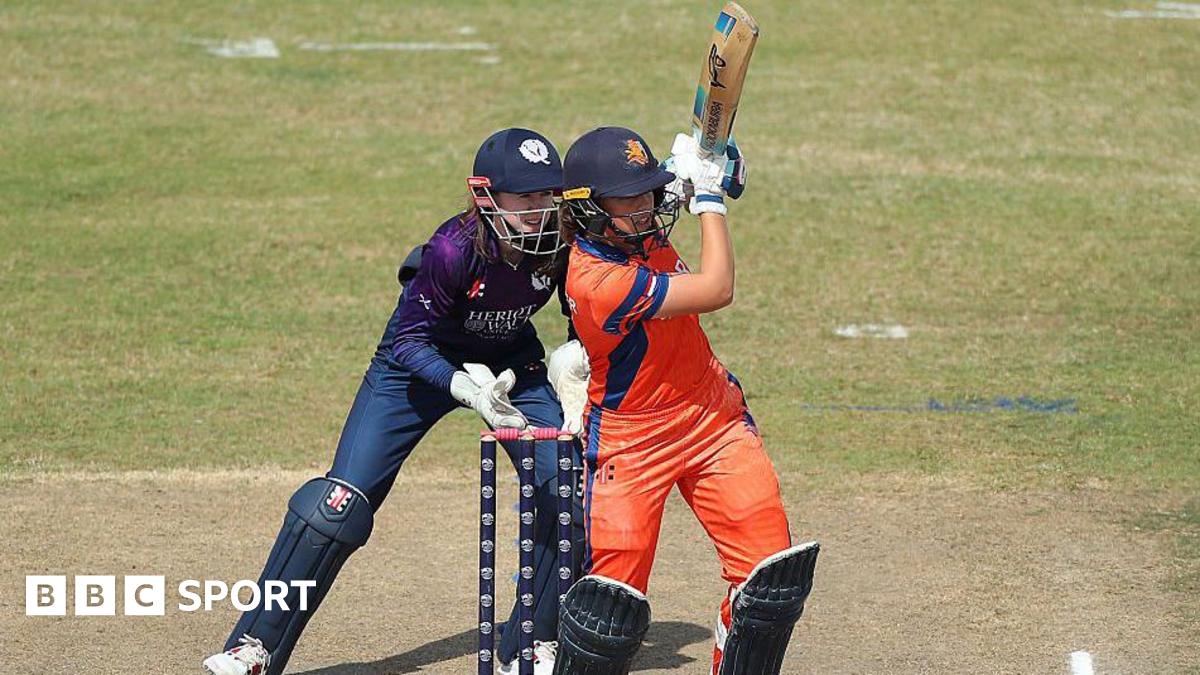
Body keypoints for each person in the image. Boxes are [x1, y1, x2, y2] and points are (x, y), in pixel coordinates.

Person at [201, 128, 583, 675]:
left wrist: (574, 365)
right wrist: (463, 388)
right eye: (525, 199)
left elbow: (591, 298)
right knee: (334, 508)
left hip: (510, 367)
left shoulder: (563, 240)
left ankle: (532, 645)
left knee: (566, 486)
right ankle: (253, 647)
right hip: (416, 367)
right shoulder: (452, 250)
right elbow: (408, 341)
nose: (539, 211)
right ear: (486, 196)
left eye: (548, 196)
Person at [547, 127, 820, 675]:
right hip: (631, 439)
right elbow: (717, 288)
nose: (647, 208)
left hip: (712, 420)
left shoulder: (631, 223)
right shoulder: (597, 278)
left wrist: (716, 163)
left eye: (650, 192)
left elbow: (701, 180)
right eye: (630, 198)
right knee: (609, 614)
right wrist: (710, 199)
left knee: (769, 585)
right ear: (588, 210)